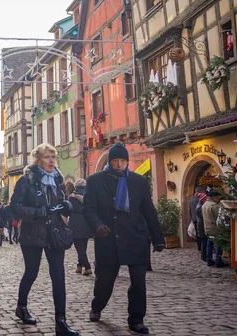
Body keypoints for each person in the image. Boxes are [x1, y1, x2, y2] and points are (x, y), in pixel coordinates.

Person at [83, 142, 165, 335]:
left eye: (122, 161)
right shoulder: (95, 181)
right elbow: (88, 208)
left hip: (135, 236)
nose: (119, 165)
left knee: (138, 281)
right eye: (115, 161)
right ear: (110, 161)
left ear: (127, 161)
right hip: (108, 237)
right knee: (105, 280)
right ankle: (97, 306)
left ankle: (136, 319)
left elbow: (148, 210)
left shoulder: (138, 181)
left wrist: (158, 237)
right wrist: (97, 225)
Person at [10, 143, 78, 335]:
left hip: (54, 232)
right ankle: (21, 307)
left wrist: (66, 206)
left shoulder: (57, 179)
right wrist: (38, 212)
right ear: (38, 160)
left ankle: (61, 322)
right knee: (31, 272)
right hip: (33, 233)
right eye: (47, 157)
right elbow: (15, 207)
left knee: (58, 276)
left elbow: (61, 201)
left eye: (53, 157)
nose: (51, 161)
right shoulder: (26, 181)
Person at [68, 178, 93, 276]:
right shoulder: (88, 195)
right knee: (83, 247)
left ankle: (87, 267)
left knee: (80, 248)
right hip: (87, 223)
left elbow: (68, 210)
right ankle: (79, 266)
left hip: (75, 224)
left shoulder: (72, 197)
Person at [202, 188, 227, 267]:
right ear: (214, 197)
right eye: (218, 198)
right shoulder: (214, 206)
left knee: (209, 244)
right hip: (215, 228)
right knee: (218, 245)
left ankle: (209, 260)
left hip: (207, 227)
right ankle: (218, 261)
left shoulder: (205, 204)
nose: (218, 200)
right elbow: (218, 218)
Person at [189, 186, 207, 252]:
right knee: (202, 235)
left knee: (198, 234)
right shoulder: (200, 199)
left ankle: (199, 247)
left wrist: (191, 218)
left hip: (194, 218)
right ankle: (202, 248)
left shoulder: (191, 199)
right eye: (204, 191)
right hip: (200, 218)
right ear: (200, 192)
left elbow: (190, 210)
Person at [195, 190, 209, 261]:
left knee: (204, 242)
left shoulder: (199, 205)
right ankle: (204, 257)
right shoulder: (200, 207)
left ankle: (204, 256)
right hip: (202, 227)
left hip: (201, 226)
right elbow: (203, 217)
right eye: (205, 199)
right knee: (204, 242)